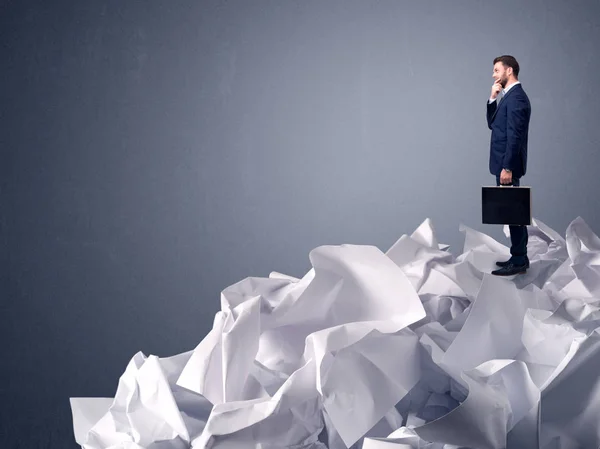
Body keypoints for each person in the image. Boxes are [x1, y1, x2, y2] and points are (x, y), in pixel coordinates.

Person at [486, 55, 532, 276]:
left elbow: (515, 137)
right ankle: (518, 256)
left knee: (515, 213)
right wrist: (492, 97)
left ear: (509, 71)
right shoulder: (508, 96)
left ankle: (520, 260)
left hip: (507, 166)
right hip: (504, 163)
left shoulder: (517, 99)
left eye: (496, 70)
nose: (493, 75)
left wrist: (508, 167)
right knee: (513, 212)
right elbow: (492, 124)